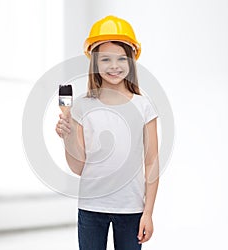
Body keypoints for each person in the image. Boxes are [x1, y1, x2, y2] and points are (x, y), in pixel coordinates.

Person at [55, 15, 159, 250]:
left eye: (121, 58)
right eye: (106, 59)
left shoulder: (143, 106)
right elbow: (78, 167)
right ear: (95, 63)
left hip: (132, 210)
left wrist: (148, 212)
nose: (114, 66)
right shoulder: (80, 106)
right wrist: (67, 137)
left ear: (131, 61)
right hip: (91, 208)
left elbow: (152, 162)